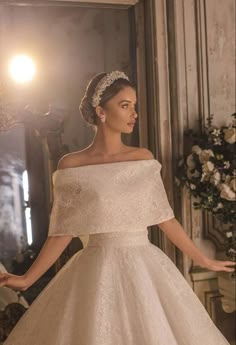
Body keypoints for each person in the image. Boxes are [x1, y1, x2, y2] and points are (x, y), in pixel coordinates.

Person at [0, 71, 235, 345]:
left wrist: (203, 259)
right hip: (94, 272)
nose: (134, 113)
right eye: (125, 106)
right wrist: (27, 279)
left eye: (134, 106)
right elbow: (62, 231)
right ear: (101, 111)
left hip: (145, 268)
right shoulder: (71, 166)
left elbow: (165, 219)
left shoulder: (142, 159)